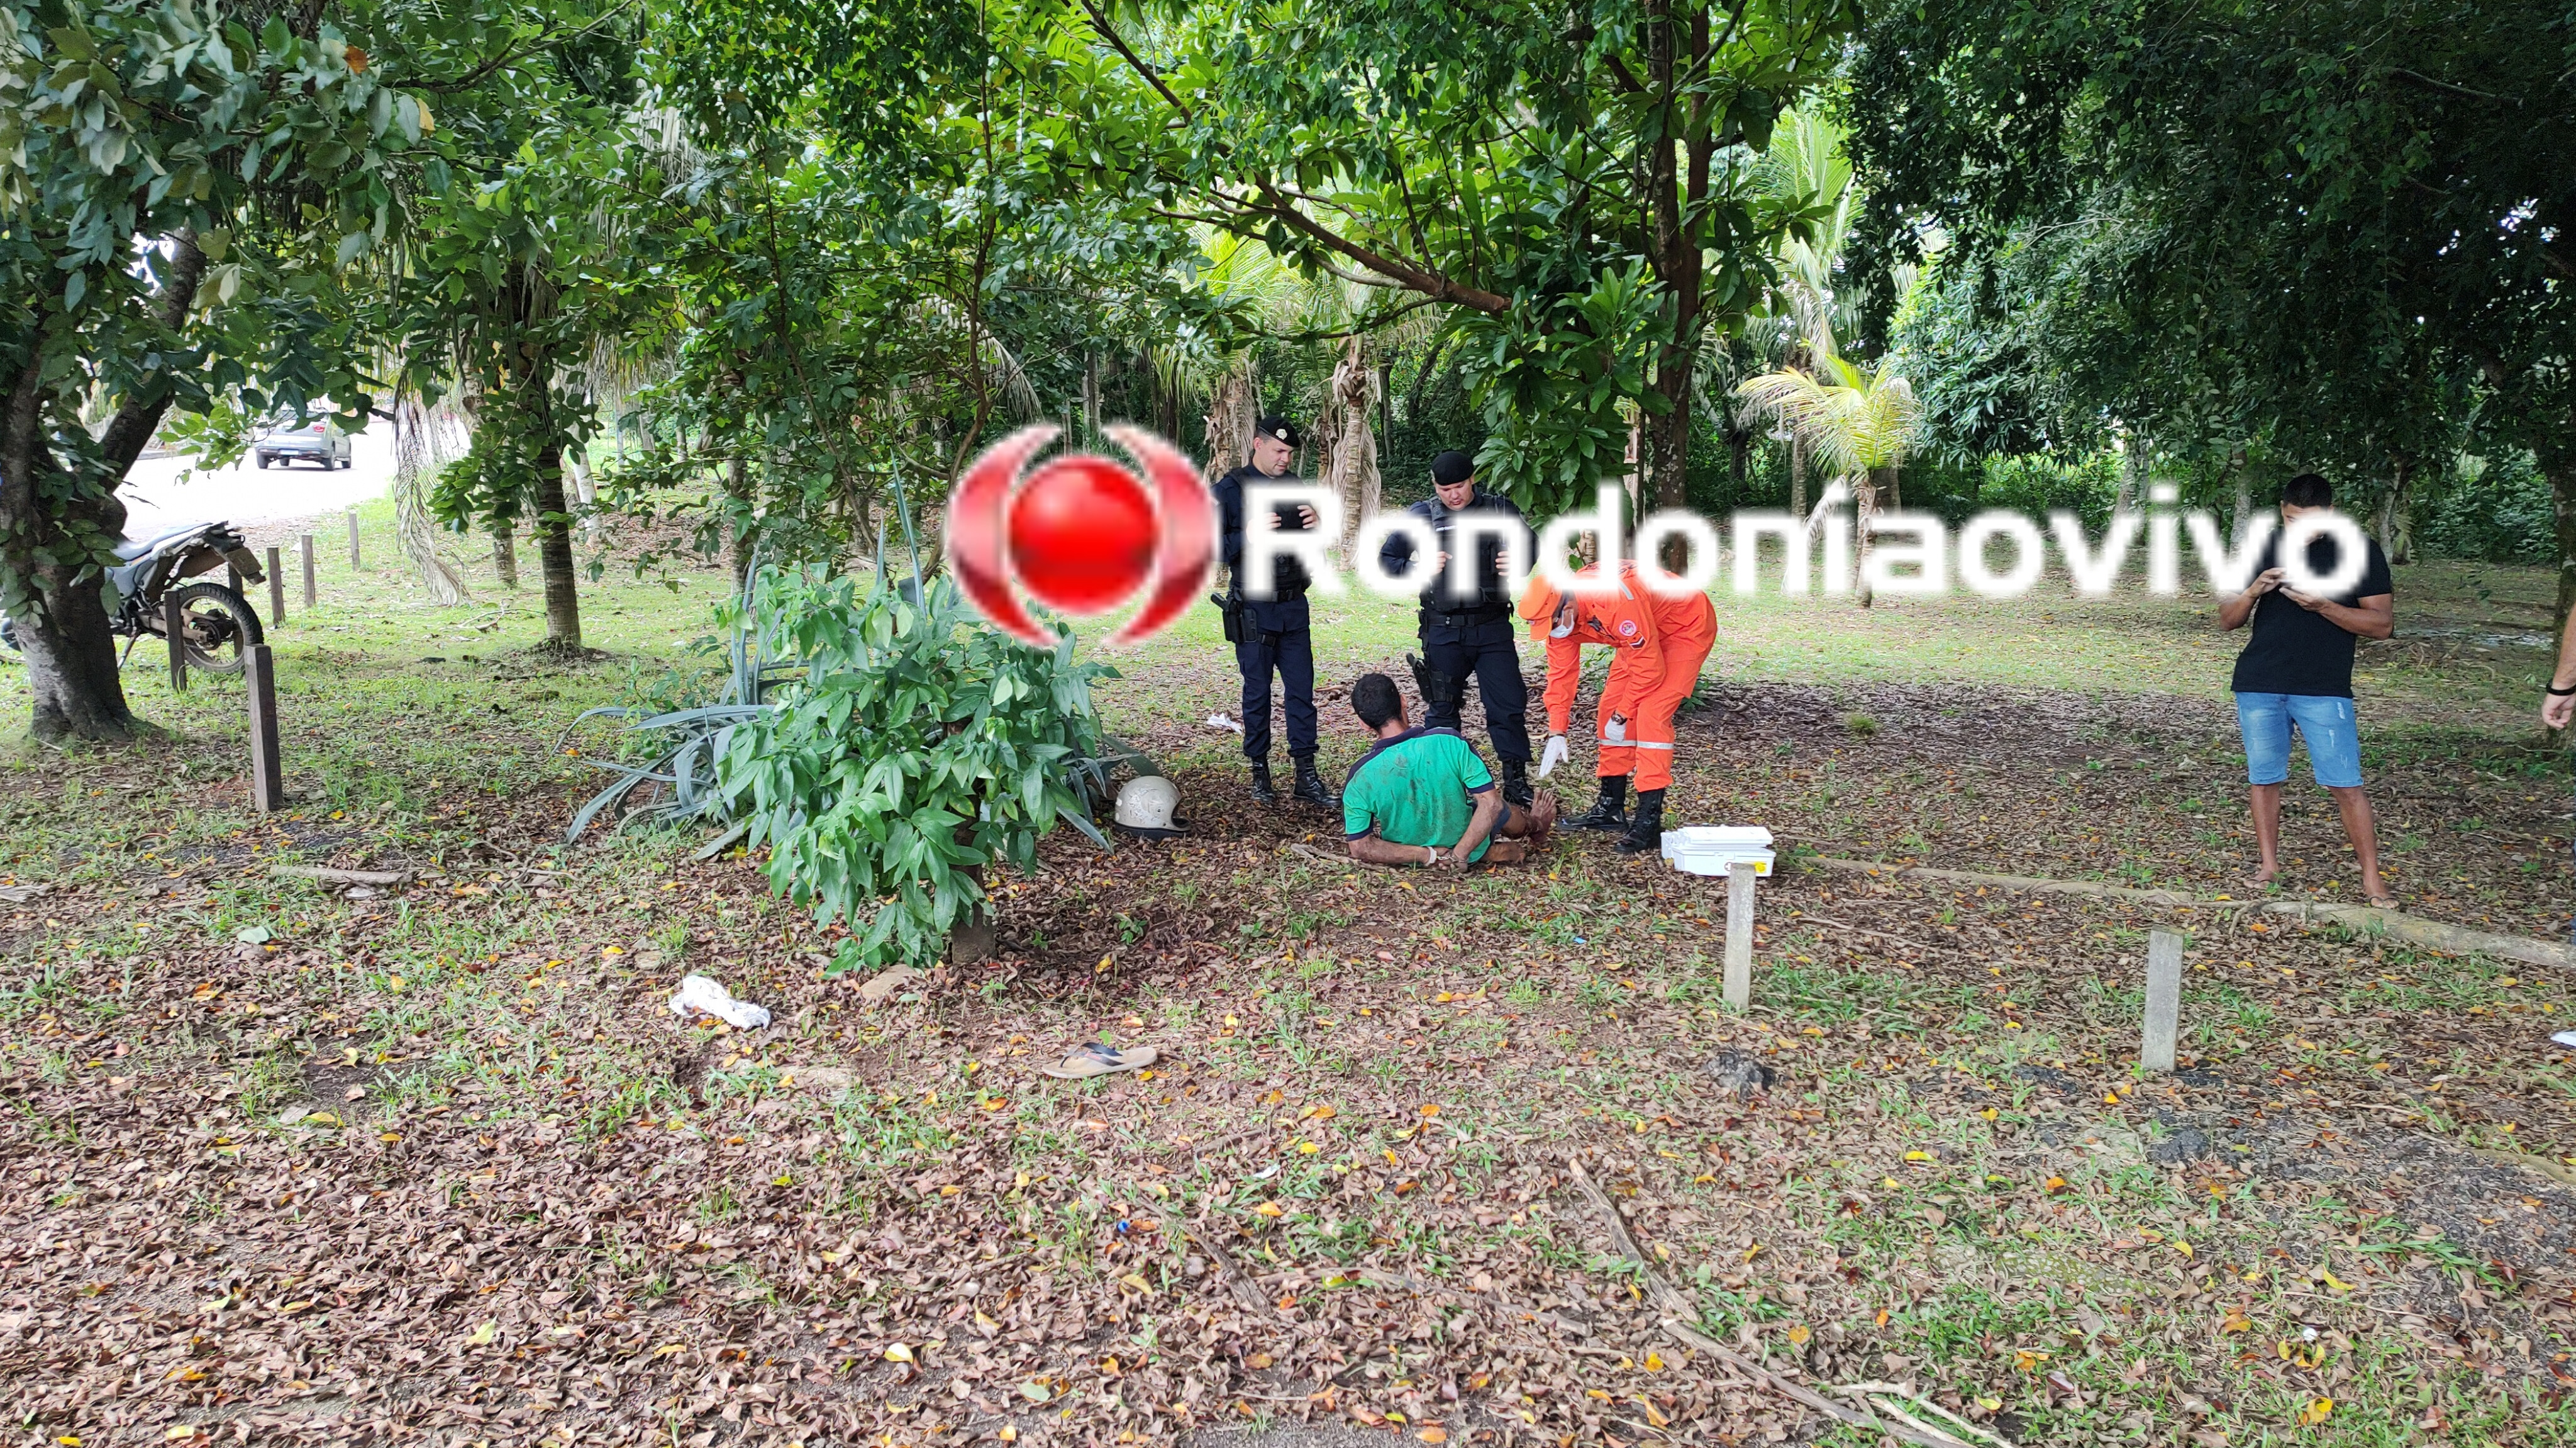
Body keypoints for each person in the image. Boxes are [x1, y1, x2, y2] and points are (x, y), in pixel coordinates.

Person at [2217, 472, 2395, 905]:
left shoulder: (2360, 551)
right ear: (2282, 512)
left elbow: (2382, 626)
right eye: (2292, 520)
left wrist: (2324, 606)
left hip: (2323, 686)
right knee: (2264, 779)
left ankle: (2373, 881)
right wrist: (2254, 591)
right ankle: (2268, 867)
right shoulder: (2261, 548)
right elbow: (2227, 620)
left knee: (2345, 784)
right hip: (2260, 681)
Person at [1517, 561, 1718, 855]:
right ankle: (1611, 808)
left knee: (1650, 714)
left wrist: (1623, 715)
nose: (1553, 633)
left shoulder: (1613, 601)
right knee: (1608, 710)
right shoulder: (1559, 619)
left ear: (1568, 607)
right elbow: (1561, 675)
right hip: (1642, 633)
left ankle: (1648, 822)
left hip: (1684, 626)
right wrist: (1557, 730)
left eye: (1552, 625)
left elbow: (1650, 671)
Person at [1379, 450, 1535, 806]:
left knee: (1508, 707)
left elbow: (1530, 546)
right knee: (1442, 709)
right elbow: (1387, 560)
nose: (1454, 495)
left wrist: (1520, 559)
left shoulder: (1499, 509)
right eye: (1445, 489)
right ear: (1435, 486)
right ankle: (1445, 785)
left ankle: (1516, 783)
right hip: (1444, 629)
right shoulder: (1422, 515)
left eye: (1460, 486)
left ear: (1472, 480)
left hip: (1492, 627)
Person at [1212, 415, 1332, 808]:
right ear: (1257, 444)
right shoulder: (1229, 490)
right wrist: (1247, 535)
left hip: (1293, 604)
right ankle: (1259, 771)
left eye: (1290, 453)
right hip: (1254, 609)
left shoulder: (1294, 487)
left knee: (1301, 693)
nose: (1285, 459)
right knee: (1257, 692)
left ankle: (1305, 775)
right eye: (1279, 450)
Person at [1340, 672, 1555, 867]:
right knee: (1504, 810)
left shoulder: (1359, 776)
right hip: (1465, 845)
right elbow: (1492, 804)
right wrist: (1458, 856)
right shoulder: (1449, 741)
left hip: (1410, 856)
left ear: (1363, 724)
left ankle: (1482, 852)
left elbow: (1360, 846)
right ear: (1403, 701)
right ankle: (1533, 827)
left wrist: (1428, 855)